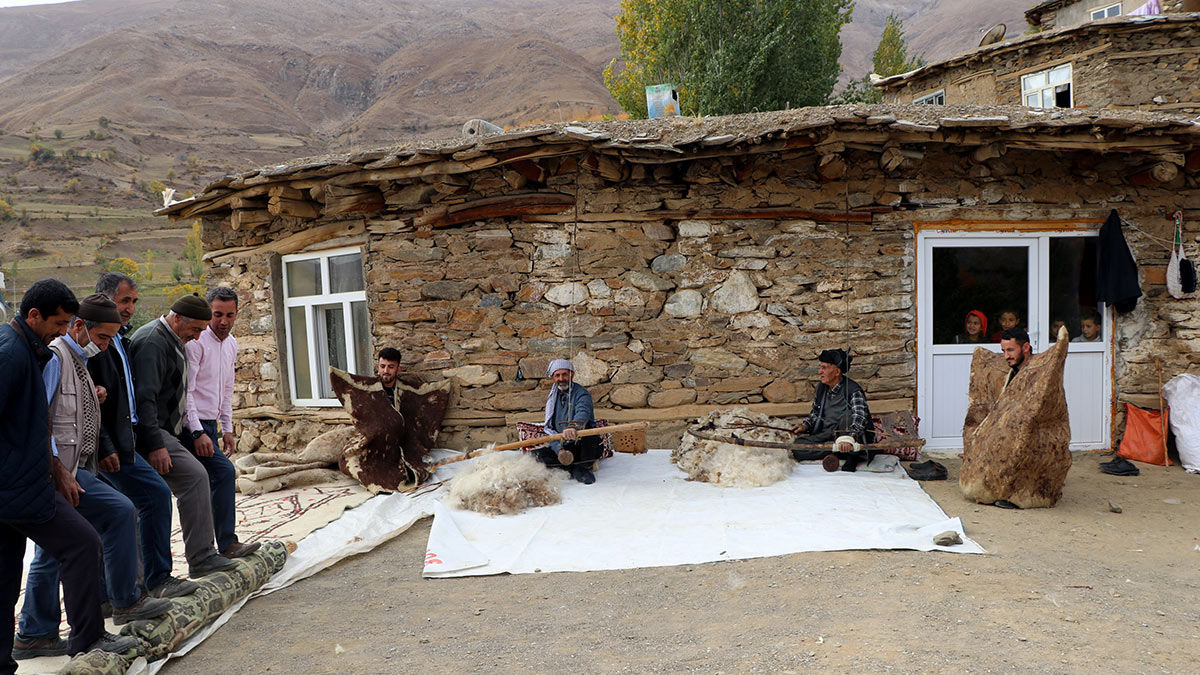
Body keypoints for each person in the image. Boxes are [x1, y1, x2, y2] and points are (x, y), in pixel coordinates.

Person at [16, 295, 171, 659]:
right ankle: (124, 602)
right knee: (118, 511)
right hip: (61, 471)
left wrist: (92, 394)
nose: (105, 346)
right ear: (78, 326)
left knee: (53, 550)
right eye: (102, 338)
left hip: (73, 467)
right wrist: (60, 474)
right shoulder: (56, 357)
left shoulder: (79, 359)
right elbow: (42, 421)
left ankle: (35, 632)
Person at [2, 279, 136, 671]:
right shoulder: (13, 353)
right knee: (81, 542)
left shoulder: (29, 348)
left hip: (21, 481)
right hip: (19, 484)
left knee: (8, 577)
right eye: (58, 324)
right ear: (33, 315)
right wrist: (54, 469)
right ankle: (88, 638)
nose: (61, 332)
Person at [90, 272, 198, 599]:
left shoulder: (121, 339)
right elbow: (97, 406)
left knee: (120, 512)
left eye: (134, 301)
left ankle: (117, 594)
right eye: (125, 300)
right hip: (111, 445)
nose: (130, 308)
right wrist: (114, 444)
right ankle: (153, 580)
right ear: (106, 299)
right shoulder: (98, 343)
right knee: (151, 496)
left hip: (127, 438)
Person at [129, 294, 240, 579]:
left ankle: (204, 555)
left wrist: (225, 426)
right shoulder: (153, 341)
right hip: (157, 433)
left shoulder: (177, 340)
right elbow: (146, 400)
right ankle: (170, 572)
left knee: (207, 476)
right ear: (178, 318)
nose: (199, 335)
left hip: (172, 431)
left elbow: (224, 389)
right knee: (189, 480)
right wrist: (158, 444)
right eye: (196, 329)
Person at [184, 287, 259, 560]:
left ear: (237, 313)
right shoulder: (196, 342)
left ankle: (218, 546)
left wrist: (227, 428)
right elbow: (187, 392)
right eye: (217, 315)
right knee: (223, 473)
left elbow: (228, 389)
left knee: (216, 477)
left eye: (229, 315)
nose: (223, 321)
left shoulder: (232, 344)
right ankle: (224, 544)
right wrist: (196, 431)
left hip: (211, 424)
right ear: (208, 313)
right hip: (192, 423)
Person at [790, 349, 875, 471]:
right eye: (820, 368)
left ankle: (850, 453)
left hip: (848, 435)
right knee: (798, 446)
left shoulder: (853, 389)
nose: (820, 372)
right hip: (828, 435)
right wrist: (805, 426)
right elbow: (815, 413)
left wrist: (848, 438)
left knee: (848, 415)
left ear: (837, 372)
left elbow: (860, 418)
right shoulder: (822, 388)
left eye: (824, 368)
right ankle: (837, 451)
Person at [537, 359, 602, 484]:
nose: (561, 379)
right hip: (565, 445)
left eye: (564, 374)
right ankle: (574, 468)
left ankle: (583, 466)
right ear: (553, 378)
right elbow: (551, 431)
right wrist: (559, 450)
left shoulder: (582, 394)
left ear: (572, 375)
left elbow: (582, 412)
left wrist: (574, 427)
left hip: (581, 442)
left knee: (590, 438)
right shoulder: (554, 398)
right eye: (557, 375)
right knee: (535, 456)